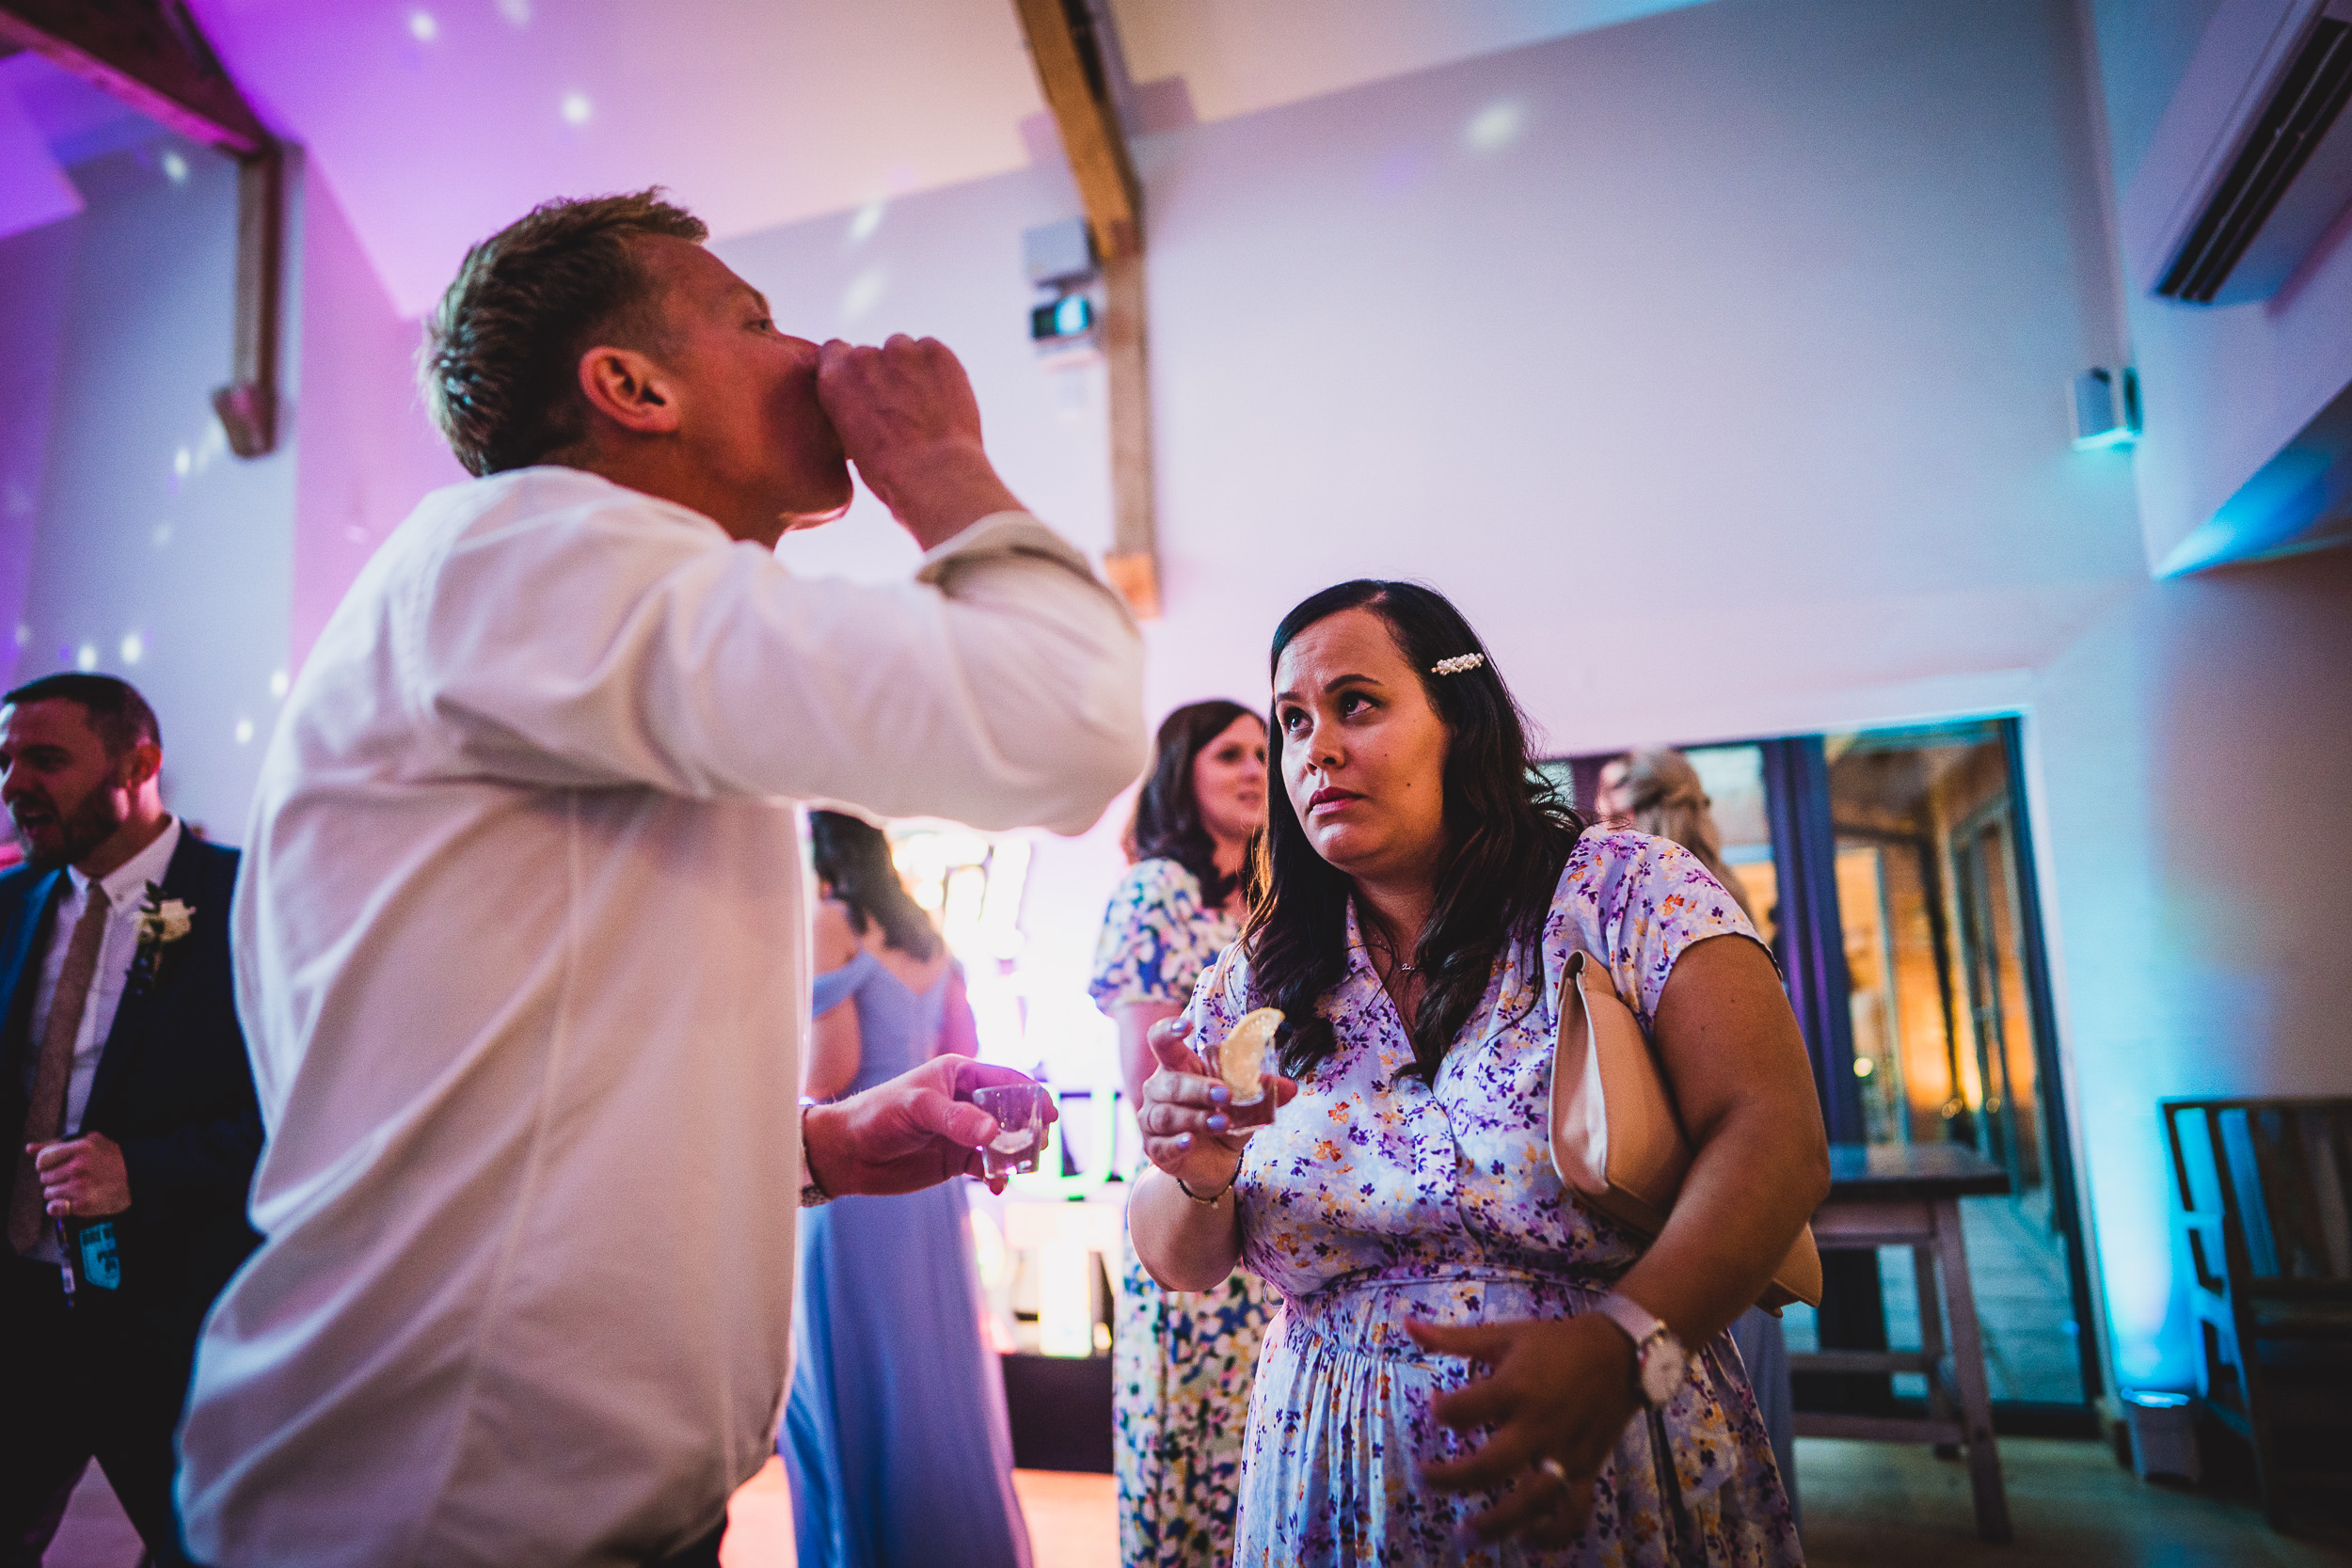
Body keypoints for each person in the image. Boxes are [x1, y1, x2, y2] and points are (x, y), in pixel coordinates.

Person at [175, 190, 1147, 1568]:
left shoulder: (578, 613)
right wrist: (937, 460)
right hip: (441, 1513)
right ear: (629, 386)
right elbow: (1066, 721)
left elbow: (521, 1072)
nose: (808, 347)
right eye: (753, 321)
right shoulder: (529, 550)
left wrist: (808, 1146)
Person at [1129, 581, 1829, 1564]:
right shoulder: (1259, 973)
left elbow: (1775, 1135)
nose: (1314, 747)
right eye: (1291, 721)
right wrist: (1193, 1169)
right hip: (1336, 1479)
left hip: (1610, 1450)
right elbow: (1183, 1257)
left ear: (1457, 719)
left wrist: (1627, 1343)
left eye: (1355, 704)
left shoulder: (1624, 891)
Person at [0, 674, 259, 1567]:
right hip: (20, 1302)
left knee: (199, 1546)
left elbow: (294, 1115)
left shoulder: (242, 903)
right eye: (5, 762)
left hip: (161, 1298)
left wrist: (137, 1169)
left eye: (45, 759)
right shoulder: (11, 903)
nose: (13, 785)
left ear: (139, 763)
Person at [784, 811, 1032, 1568]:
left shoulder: (832, 920)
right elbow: (963, 1053)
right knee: (933, 1387)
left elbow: (830, 1073)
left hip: (854, 1189)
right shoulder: (926, 934)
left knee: (846, 1387)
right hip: (928, 1183)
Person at [1087, 701, 1274, 1565]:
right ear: (1181, 773)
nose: (1253, 766)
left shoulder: (1278, 896)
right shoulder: (1155, 889)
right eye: (1228, 752)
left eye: (1262, 750)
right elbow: (1150, 1089)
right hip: (1190, 1200)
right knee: (1192, 1464)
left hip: (1273, 1216)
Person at [1597, 748, 1798, 1518]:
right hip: (1705, 1174)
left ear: (1638, 803)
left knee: (1709, 1398)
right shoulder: (1728, 886)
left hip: (1679, 1178)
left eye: (1609, 792)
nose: (1595, 809)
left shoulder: (1663, 893)